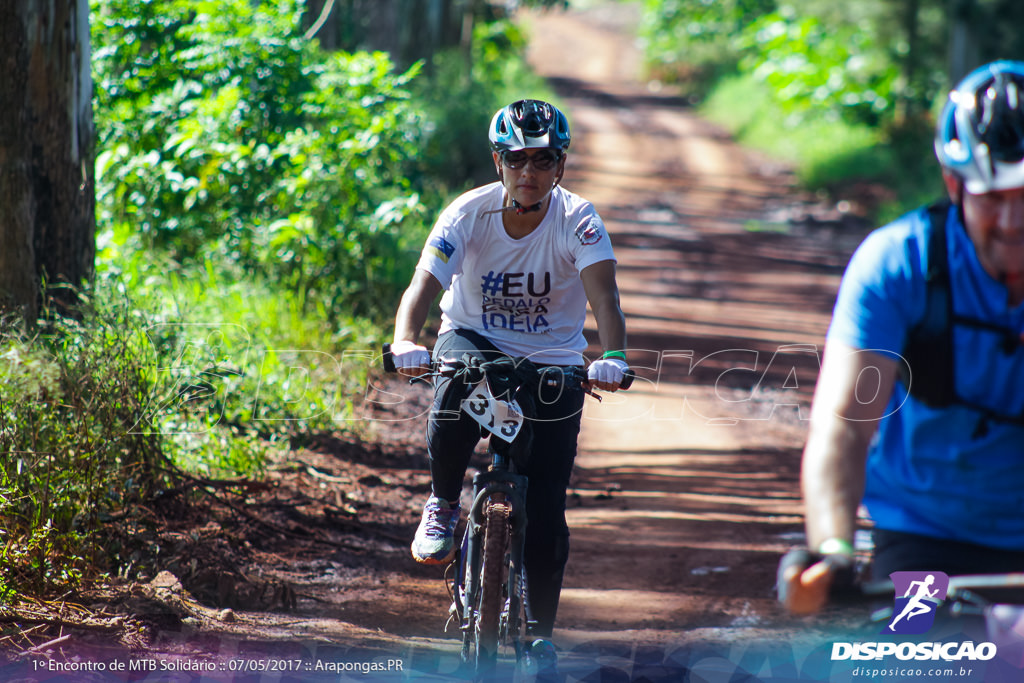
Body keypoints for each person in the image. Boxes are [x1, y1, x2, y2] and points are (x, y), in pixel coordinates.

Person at [781, 60, 1024, 615]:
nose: (1012, 223)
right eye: (992, 198)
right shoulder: (901, 265)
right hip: (926, 540)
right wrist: (834, 549)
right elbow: (844, 426)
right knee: (916, 666)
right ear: (954, 185)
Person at [389, 99, 629, 635]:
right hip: (474, 339)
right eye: (516, 160)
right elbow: (422, 287)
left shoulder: (579, 221)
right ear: (498, 162)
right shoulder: (467, 213)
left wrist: (612, 358)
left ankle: (541, 636)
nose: (529, 173)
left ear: (560, 166)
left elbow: (606, 303)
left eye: (543, 161)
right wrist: (405, 340)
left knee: (546, 512)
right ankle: (445, 503)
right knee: (453, 391)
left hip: (552, 361)